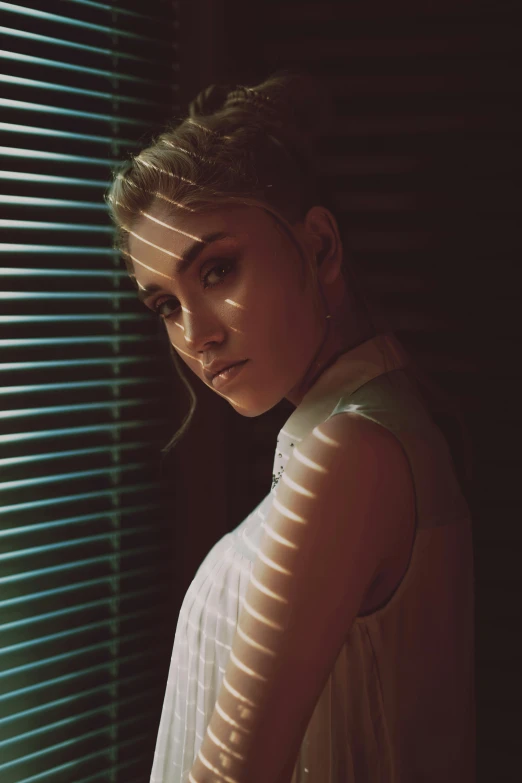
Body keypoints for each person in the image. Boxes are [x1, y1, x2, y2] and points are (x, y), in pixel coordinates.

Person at [106, 69, 475, 783]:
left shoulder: (350, 454)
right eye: (165, 307)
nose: (195, 335)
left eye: (216, 272)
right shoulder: (374, 425)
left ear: (320, 247)